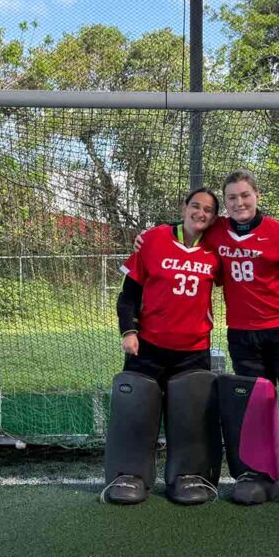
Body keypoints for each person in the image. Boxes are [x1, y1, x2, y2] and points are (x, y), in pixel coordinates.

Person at [135, 169, 279, 516]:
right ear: (225, 205)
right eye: (231, 198)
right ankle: (260, 474)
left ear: (256, 196)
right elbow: (188, 226)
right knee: (256, 404)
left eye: (244, 195)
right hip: (244, 336)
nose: (239, 203)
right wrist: (148, 236)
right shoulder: (216, 231)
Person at [101, 187, 223, 507]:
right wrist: (128, 331)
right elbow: (128, 296)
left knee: (191, 416)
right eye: (195, 206)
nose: (201, 213)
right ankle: (130, 474)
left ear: (214, 217)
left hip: (194, 350)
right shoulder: (153, 239)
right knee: (137, 413)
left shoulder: (217, 250)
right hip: (149, 346)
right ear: (184, 207)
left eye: (208, 210)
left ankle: (189, 474)